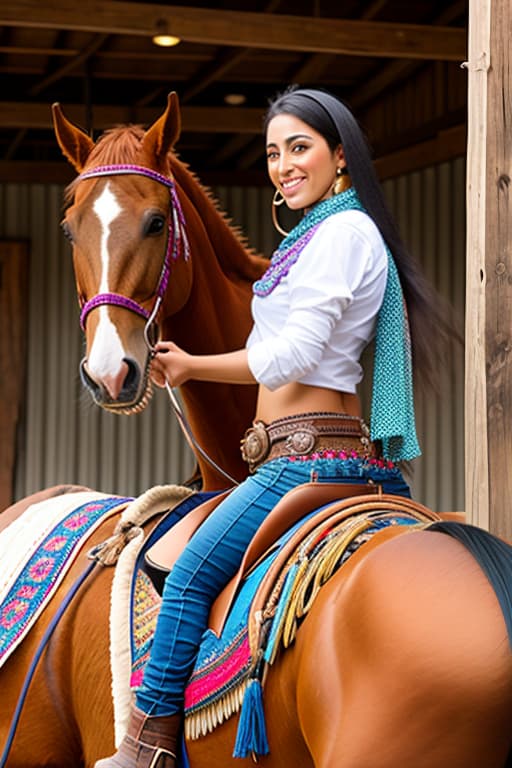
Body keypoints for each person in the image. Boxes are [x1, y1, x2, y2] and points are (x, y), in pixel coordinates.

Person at [95, 85, 452, 767]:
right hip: (310, 453)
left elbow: (291, 356)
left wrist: (196, 365)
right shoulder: (322, 234)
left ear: (339, 156)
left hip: (304, 458)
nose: (284, 165)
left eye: (300, 148)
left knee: (193, 571)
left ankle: (144, 749)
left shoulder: (344, 234)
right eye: (273, 153)